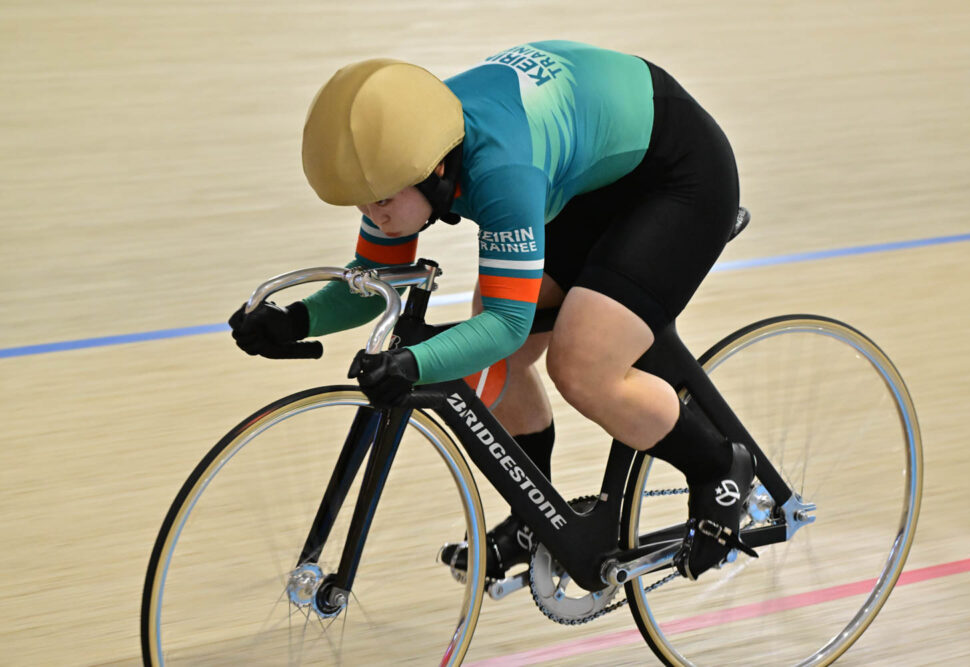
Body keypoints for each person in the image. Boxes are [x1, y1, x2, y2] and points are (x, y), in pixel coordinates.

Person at [228, 40, 755, 582]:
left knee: (582, 364)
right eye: (361, 201)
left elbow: (507, 325)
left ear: (435, 169)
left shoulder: (499, 170)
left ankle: (718, 468)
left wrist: (413, 363)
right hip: (593, 174)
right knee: (495, 336)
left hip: (677, 174)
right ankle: (538, 519)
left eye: (380, 200)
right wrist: (296, 320)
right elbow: (377, 275)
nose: (372, 213)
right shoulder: (400, 156)